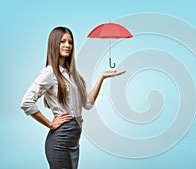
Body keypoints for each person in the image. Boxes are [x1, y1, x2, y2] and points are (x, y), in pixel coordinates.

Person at [20, 26, 125, 169]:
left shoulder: (73, 75)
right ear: (54, 44)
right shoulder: (49, 72)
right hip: (60, 141)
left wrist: (102, 77)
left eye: (70, 42)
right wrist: (50, 124)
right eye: (62, 41)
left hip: (74, 140)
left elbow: (87, 104)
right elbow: (26, 103)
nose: (67, 46)